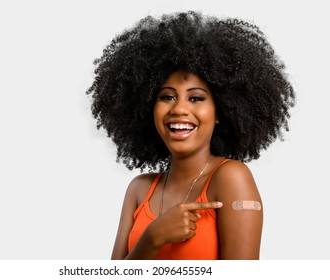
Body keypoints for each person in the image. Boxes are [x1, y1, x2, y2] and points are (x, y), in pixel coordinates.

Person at [86, 11, 295, 260]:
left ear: (221, 111)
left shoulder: (230, 179)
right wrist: (152, 239)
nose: (179, 109)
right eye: (166, 97)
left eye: (196, 98)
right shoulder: (139, 189)